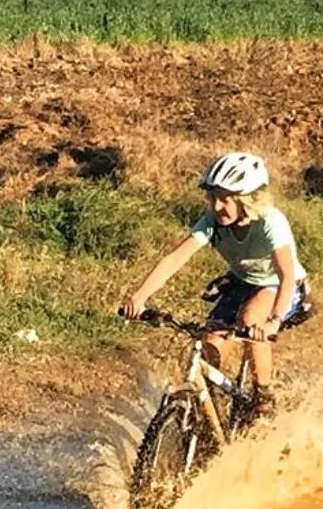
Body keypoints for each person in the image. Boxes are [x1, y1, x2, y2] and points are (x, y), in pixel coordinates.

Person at [120, 151, 308, 414]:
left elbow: (287, 274)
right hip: (242, 283)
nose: (217, 206)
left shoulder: (270, 222)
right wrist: (139, 297)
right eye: (212, 198)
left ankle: (263, 398)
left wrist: (273, 321)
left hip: (280, 286)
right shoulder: (212, 222)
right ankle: (212, 416)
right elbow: (175, 259)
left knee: (251, 318)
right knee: (209, 343)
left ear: (247, 200)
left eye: (225, 200)